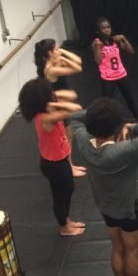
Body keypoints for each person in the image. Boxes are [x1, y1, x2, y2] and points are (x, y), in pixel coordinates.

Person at [69, 98, 138, 276]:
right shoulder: (123, 152)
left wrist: (94, 116)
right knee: (131, 250)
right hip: (129, 210)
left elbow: (73, 117)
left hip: (106, 208)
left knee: (117, 248)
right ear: (115, 127)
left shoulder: (84, 143)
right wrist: (131, 126)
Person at [18, 78, 85, 236]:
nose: (53, 94)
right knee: (60, 196)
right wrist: (54, 99)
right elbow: (74, 106)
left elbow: (70, 95)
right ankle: (64, 228)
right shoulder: (46, 118)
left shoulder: (47, 112)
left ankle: (67, 221)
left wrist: (51, 98)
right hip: (54, 165)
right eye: (49, 93)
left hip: (60, 160)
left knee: (69, 189)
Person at [34, 38, 86, 177]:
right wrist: (63, 53)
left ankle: (70, 165)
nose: (59, 50)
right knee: (65, 138)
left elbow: (78, 62)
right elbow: (78, 67)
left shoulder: (51, 65)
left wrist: (59, 56)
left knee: (68, 137)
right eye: (56, 49)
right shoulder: (51, 69)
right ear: (49, 53)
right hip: (57, 108)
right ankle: (68, 167)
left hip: (59, 106)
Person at [92, 17, 138, 122]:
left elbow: (131, 52)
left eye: (108, 27)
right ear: (98, 31)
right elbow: (98, 61)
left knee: (129, 97)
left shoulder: (115, 41)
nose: (107, 30)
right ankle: (107, 123)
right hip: (108, 77)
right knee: (107, 103)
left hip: (120, 74)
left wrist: (124, 39)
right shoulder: (96, 43)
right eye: (103, 28)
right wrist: (98, 47)